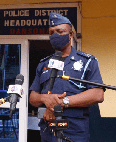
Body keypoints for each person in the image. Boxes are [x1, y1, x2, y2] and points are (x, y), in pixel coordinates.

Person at [29, 12, 104, 142]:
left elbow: (97, 94)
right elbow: (33, 98)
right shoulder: (44, 64)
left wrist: (62, 102)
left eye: (60, 31)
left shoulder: (87, 62)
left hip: (75, 133)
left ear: (71, 35)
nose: (55, 35)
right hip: (48, 132)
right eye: (51, 32)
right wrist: (44, 98)